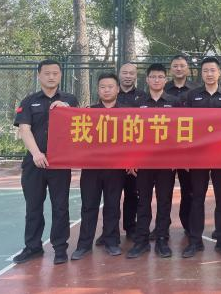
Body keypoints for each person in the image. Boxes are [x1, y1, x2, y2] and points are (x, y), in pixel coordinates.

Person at [12, 59, 78, 265]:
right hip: (35, 163)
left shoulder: (70, 100)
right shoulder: (29, 101)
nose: (51, 77)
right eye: (47, 73)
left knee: (60, 207)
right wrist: (36, 153)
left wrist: (67, 109)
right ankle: (33, 247)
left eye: (55, 73)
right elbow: (24, 129)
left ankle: (60, 248)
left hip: (60, 163)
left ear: (60, 75)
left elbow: (79, 126)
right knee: (33, 207)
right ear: (39, 75)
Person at [181, 56, 221, 258]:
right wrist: (187, 155)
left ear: (219, 73)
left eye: (213, 70)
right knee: (197, 198)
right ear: (201, 73)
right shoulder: (192, 96)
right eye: (205, 71)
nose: (209, 74)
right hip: (198, 157)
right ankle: (195, 242)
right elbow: (185, 125)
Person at [126, 63, 180, 259]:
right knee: (143, 202)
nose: (156, 80)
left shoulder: (174, 102)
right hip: (144, 162)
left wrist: (176, 158)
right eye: (153, 77)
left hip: (166, 163)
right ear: (147, 79)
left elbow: (179, 132)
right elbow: (131, 133)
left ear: (165, 80)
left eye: (160, 77)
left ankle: (162, 239)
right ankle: (141, 241)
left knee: (164, 201)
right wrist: (132, 160)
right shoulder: (138, 102)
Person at [71, 73, 126, 260]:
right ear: (98, 90)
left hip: (116, 168)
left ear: (117, 89)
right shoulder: (88, 113)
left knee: (112, 206)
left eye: (110, 87)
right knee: (89, 206)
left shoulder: (127, 113)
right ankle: (84, 245)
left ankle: (112, 242)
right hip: (91, 168)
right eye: (103, 87)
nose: (106, 90)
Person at [164, 54, 196, 239]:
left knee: (188, 190)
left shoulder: (196, 90)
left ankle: (189, 225)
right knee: (164, 191)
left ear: (187, 69)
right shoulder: (161, 88)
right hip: (165, 150)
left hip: (187, 150)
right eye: (175, 65)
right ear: (171, 69)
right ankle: (162, 227)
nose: (178, 68)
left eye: (182, 65)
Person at [116, 63, 140, 242]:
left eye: (131, 73)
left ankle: (131, 227)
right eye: (125, 72)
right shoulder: (110, 93)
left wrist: (134, 158)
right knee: (112, 196)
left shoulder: (143, 97)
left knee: (132, 194)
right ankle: (109, 231)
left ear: (136, 76)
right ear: (119, 74)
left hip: (134, 154)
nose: (128, 76)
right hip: (113, 154)